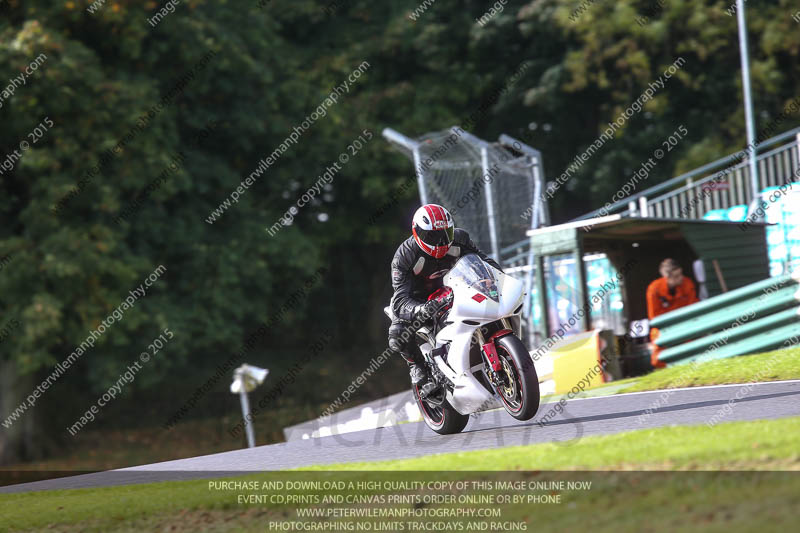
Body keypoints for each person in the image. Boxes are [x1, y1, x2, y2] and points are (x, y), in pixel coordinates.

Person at [388, 203, 501, 395]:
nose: (440, 242)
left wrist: (495, 278)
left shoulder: (460, 239)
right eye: (432, 236)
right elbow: (399, 300)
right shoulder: (404, 256)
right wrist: (420, 309)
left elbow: (484, 261)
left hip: (454, 290)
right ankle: (418, 367)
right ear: (418, 233)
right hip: (420, 301)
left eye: (445, 234)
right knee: (397, 334)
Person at [646, 258, 699, 368]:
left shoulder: (687, 284)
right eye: (676, 276)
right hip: (664, 327)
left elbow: (693, 308)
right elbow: (654, 317)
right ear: (667, 277)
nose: (680, 278)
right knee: (658, 356)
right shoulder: (654, 289)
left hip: (685, 324)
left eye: (680, 274)